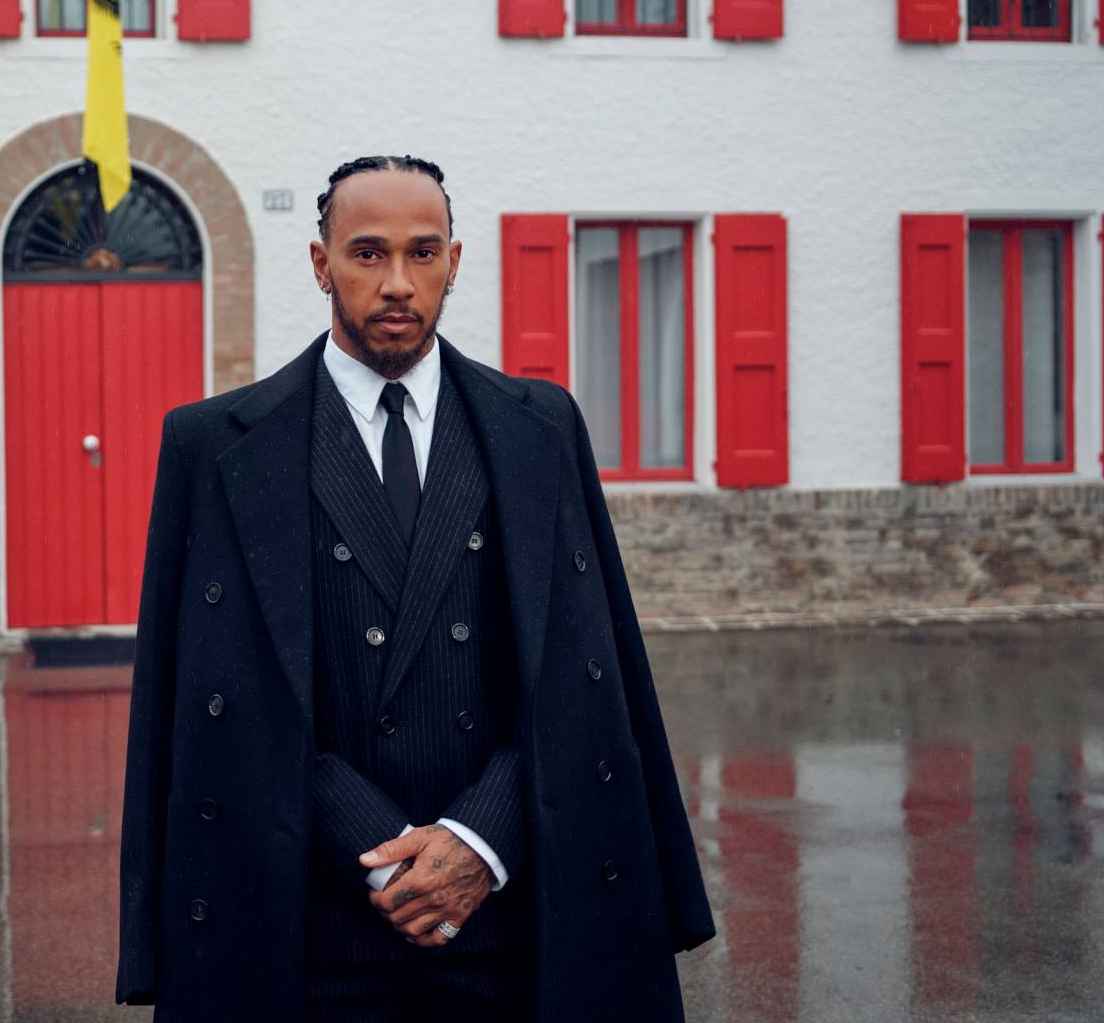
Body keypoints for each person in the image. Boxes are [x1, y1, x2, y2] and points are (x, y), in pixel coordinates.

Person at [116, 156, 713, 1021]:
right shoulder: (214, 446)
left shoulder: (540, 429)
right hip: (311, 936)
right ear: (321, 264)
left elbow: (588, 675)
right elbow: (201, 701)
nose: (397, 283)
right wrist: (377, 844)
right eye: (367, 254)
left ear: (455, 262)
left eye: (422, 253)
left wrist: (480, 838)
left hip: (510, 927)